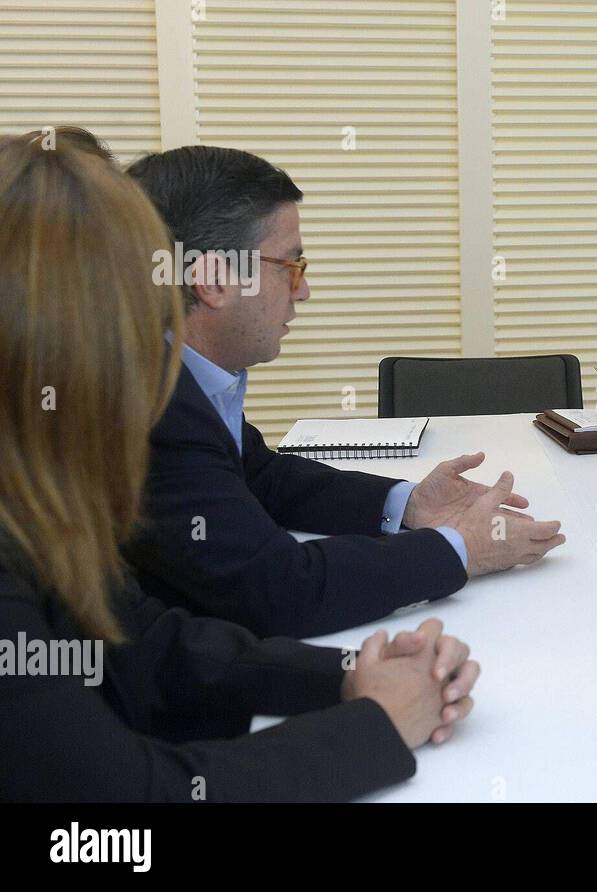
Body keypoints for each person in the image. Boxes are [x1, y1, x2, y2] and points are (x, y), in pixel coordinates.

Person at [0, 135, 479, 801]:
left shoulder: (33, 497)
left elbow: (137, 646)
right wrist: (376, 725)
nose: (160, 333)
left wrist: (347, 674)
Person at [123, 146, 564, 637]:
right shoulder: (153, 408)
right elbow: (281, 590)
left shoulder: (176, 372)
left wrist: (410, 504)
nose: (304, 291)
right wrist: (460, 547)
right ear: (211, 280)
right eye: (289, 267)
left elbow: (261, 476)